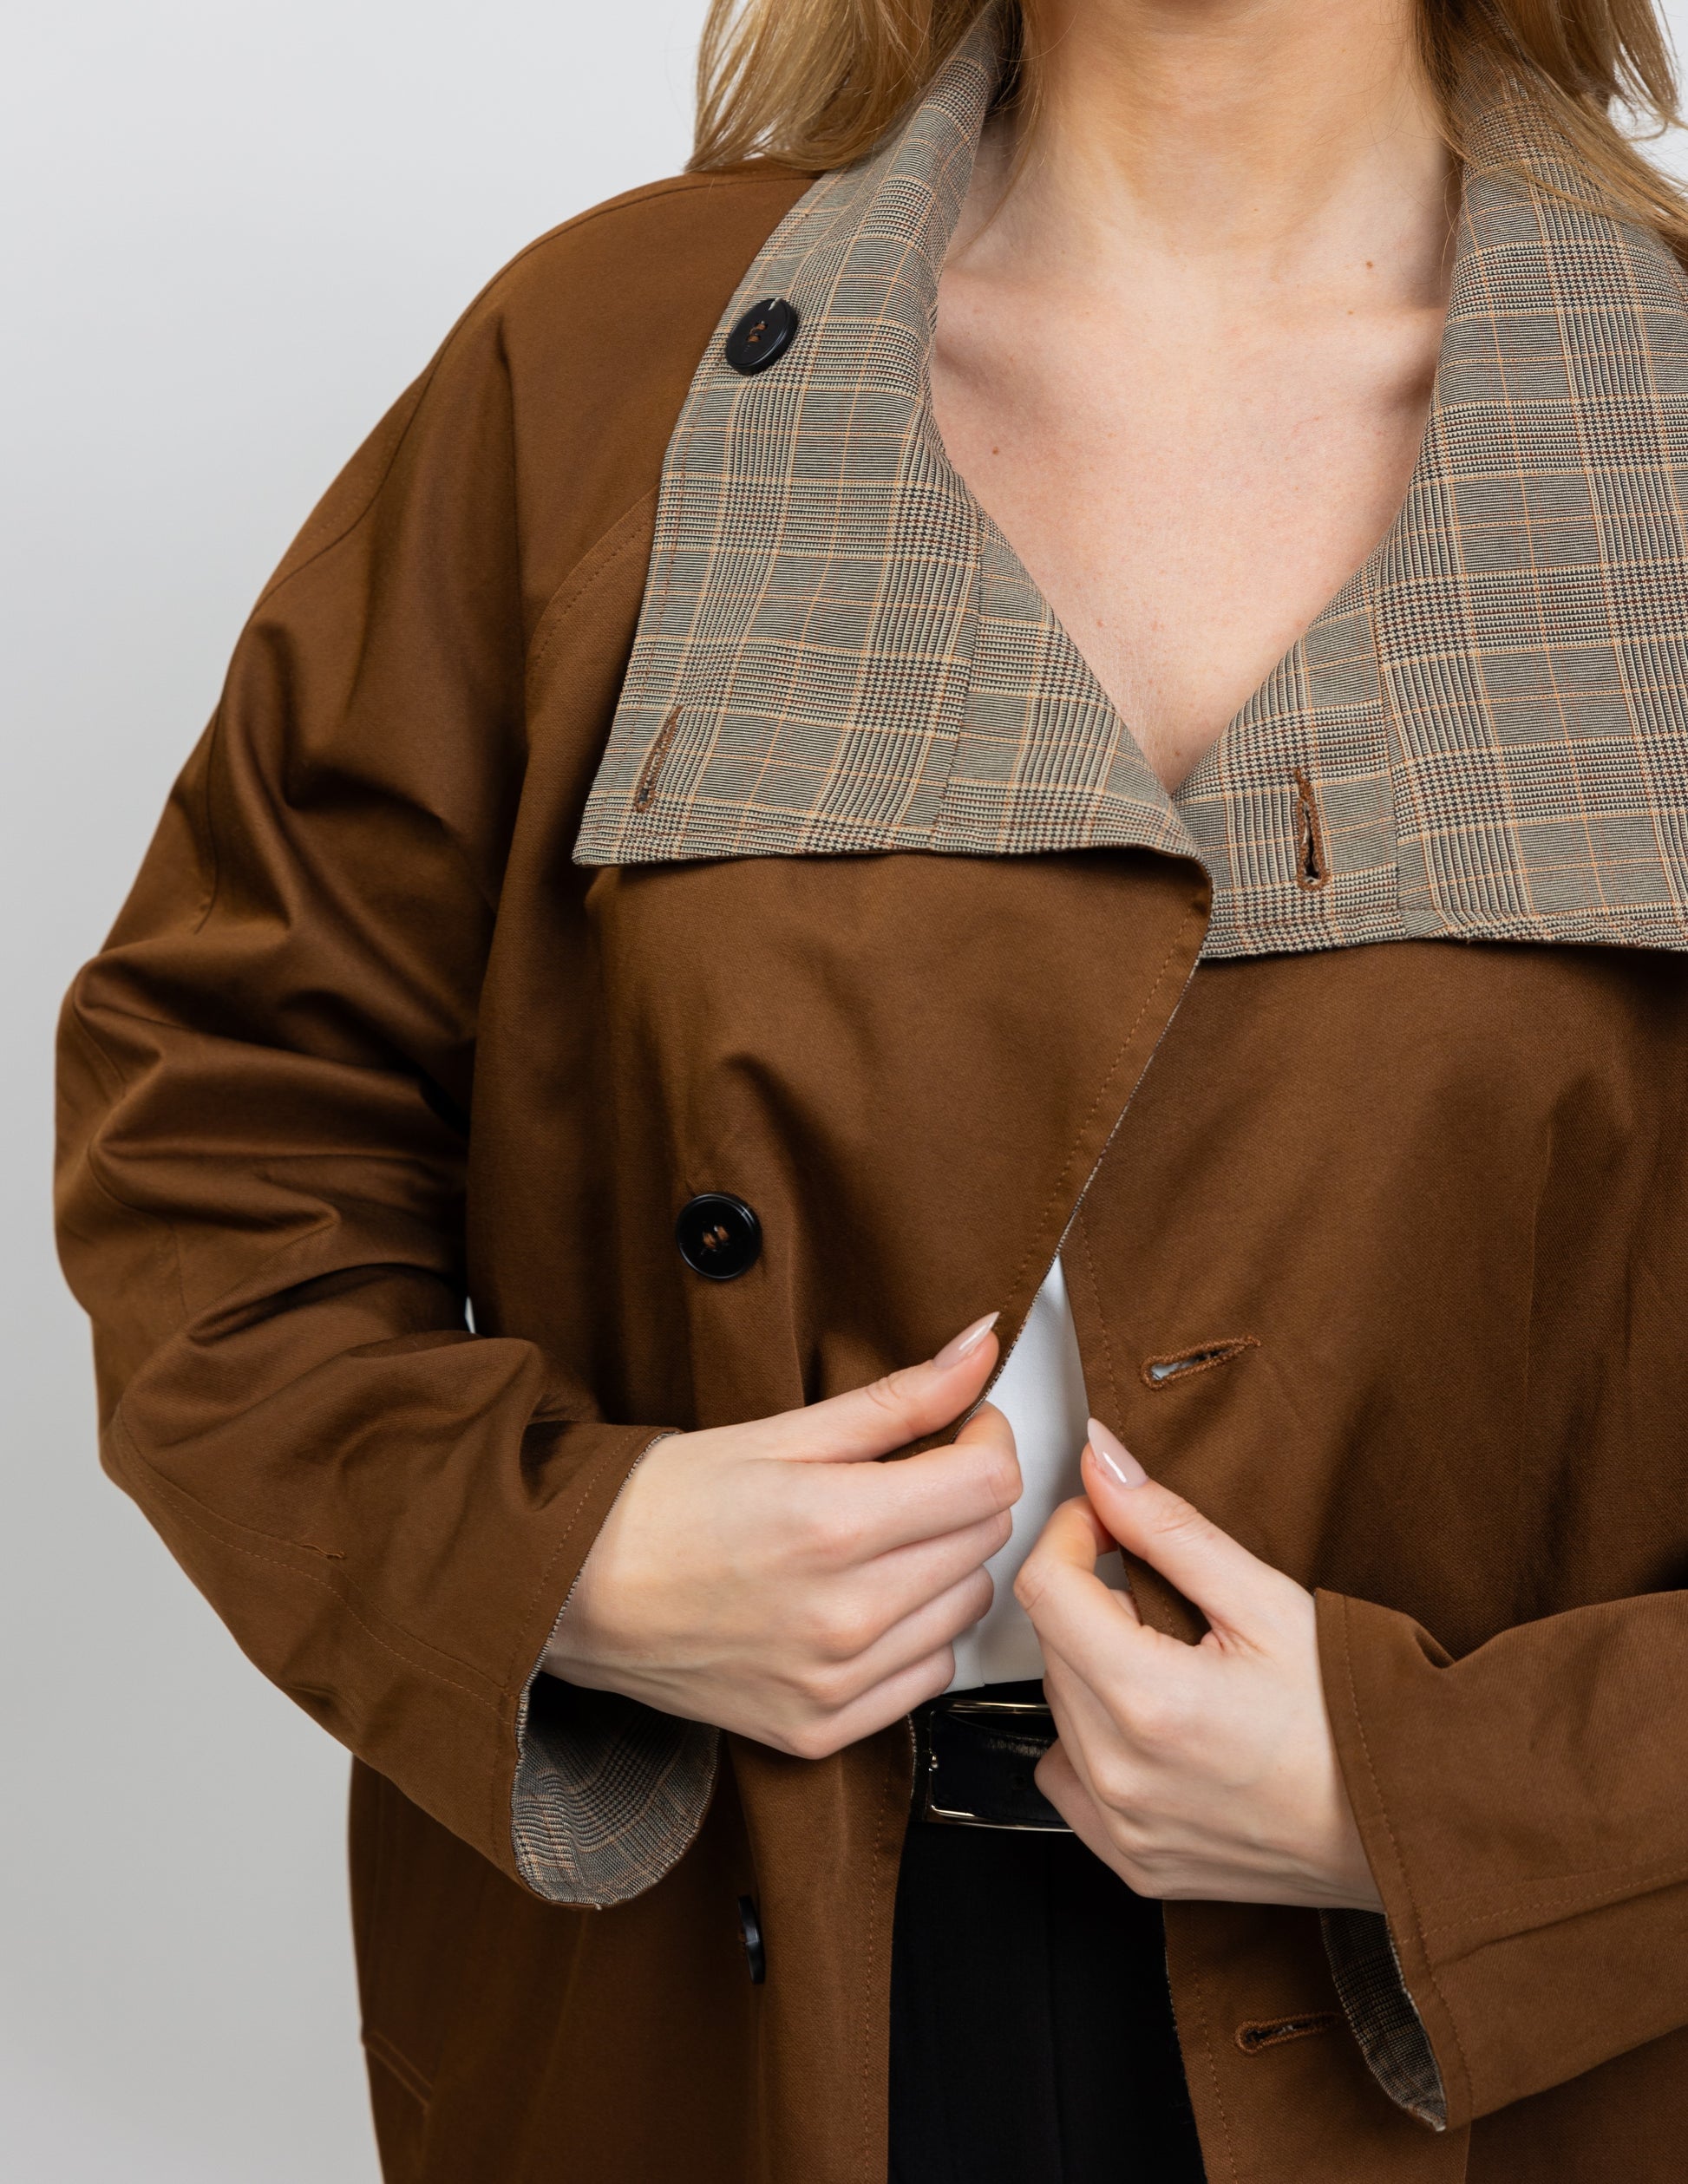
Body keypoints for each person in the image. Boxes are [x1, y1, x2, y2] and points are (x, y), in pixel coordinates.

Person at [54, 0, 1688, 2173]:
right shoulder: (604, 371)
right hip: (723, 2005)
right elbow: (218, 1134)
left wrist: (1449, 1798)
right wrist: (570, 1553)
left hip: (1505, 2069)